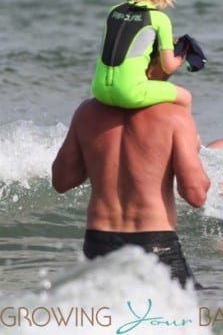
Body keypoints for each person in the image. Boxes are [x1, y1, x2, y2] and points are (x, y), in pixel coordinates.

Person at [52, 58, 211, 290]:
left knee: (105, 318)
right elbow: (195, 195)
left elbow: (62, 181)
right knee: (183, 315)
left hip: (99, 239)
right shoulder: (175, 116)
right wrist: (193, 152)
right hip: (154, 241)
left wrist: (100, 158)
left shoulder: (88, 111)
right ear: (155, 62)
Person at [92, 0, 193, 112]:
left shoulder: (113, 11)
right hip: (130, 92)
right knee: (185, 97)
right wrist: (181, 56)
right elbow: (168, 67)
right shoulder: (159, 19)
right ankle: (192, 137)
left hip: (99, 89)